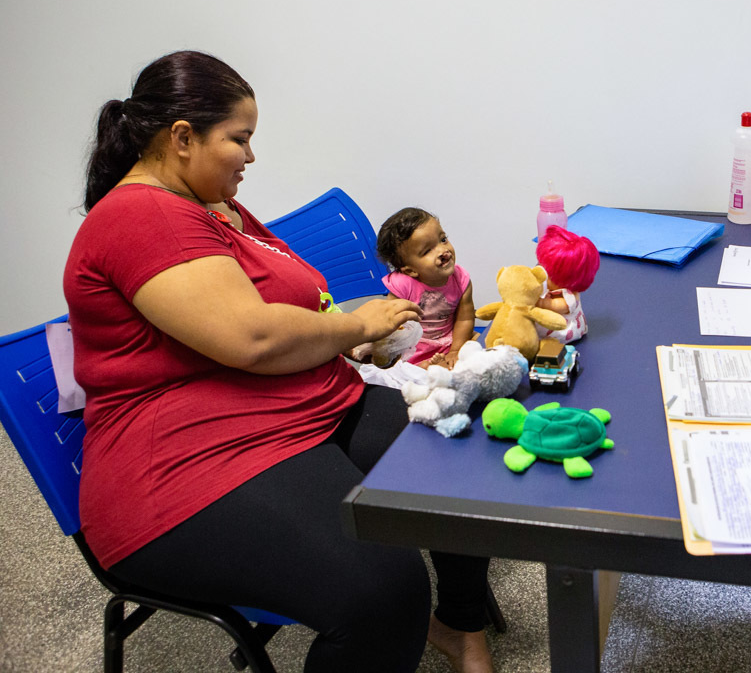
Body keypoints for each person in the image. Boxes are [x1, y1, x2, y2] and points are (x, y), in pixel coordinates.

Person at [63, 50, 495, 673]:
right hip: (195, 461)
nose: (250, 155)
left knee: (458, 466)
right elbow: (255, 338)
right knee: (384, 590)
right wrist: (355, 325)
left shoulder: (216, 208)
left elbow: (295, 302)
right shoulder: (141, 215)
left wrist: (344, 333)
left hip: (309, 408)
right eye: (239, 138)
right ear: (182, 138)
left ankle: (458, 625)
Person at [376, 207, 476, 368]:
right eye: (427, 251)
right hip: (415, 347)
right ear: (411, 271)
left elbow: (465, 319)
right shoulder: (403, 285)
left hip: (450, 339)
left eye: (443, 239)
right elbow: (390, 322)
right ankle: (428, 368)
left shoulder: (461, 279)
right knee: (410, 368)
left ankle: (442, 366)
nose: (442, 250)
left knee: (484, 343)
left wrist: (456, 350)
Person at [534, 225, 600, 344]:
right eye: (539, 264)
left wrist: (539, 302)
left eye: (545, 271)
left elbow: (555, 305)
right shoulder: (549, 286)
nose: (539, 270)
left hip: (560, 334)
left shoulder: (569, 297)